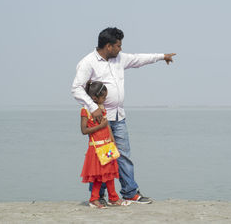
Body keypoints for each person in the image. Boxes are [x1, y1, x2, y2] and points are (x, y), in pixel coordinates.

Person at [72, 27, 176, 204]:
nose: (121, 49)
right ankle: (99, 197)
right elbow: (76, 88)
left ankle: (130, 193)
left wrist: (161, 56)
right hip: (101, 119)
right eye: (118, 45)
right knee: (103, 158)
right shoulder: (88, 62)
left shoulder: (119, 58)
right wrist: (92, 107)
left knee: (123, 155)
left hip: (119, 117)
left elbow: (139, 59)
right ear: (108, 46)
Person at [80, 80, 131, 208]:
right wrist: (101, 126)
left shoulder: (101, 109)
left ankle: (113, 198)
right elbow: (84, 130)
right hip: (96, 148)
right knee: (98, 176)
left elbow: (107, 126)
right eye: (103, 97)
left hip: (107, 146)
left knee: (109, 173)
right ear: (94, 97)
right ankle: (94, 199)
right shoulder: (85, 110)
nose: (105, 100)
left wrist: (112, 140)